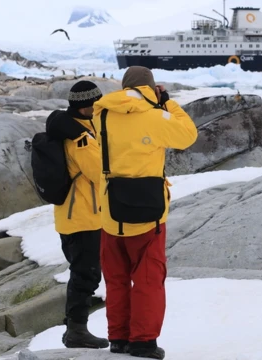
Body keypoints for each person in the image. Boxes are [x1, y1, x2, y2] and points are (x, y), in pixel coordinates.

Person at [92, 66, 198, 359]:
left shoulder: (101, 115)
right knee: (148, 278)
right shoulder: (154, 117)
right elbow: (188, 135)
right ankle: (142, 342)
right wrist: (166, 103)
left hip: (110, 212)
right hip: (149, 213)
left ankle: (118, 338)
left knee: (116, 278)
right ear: (150, 88)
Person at [45, 80, 109, 349]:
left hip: (83, 215)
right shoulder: (79, 137)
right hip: (81, 216)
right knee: (86, 273)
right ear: (85, 106)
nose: (97, 108)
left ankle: (75, 329)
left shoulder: (84, 127)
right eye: (94, 104)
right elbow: (98, 172)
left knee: (87, 272)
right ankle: (76, 331)